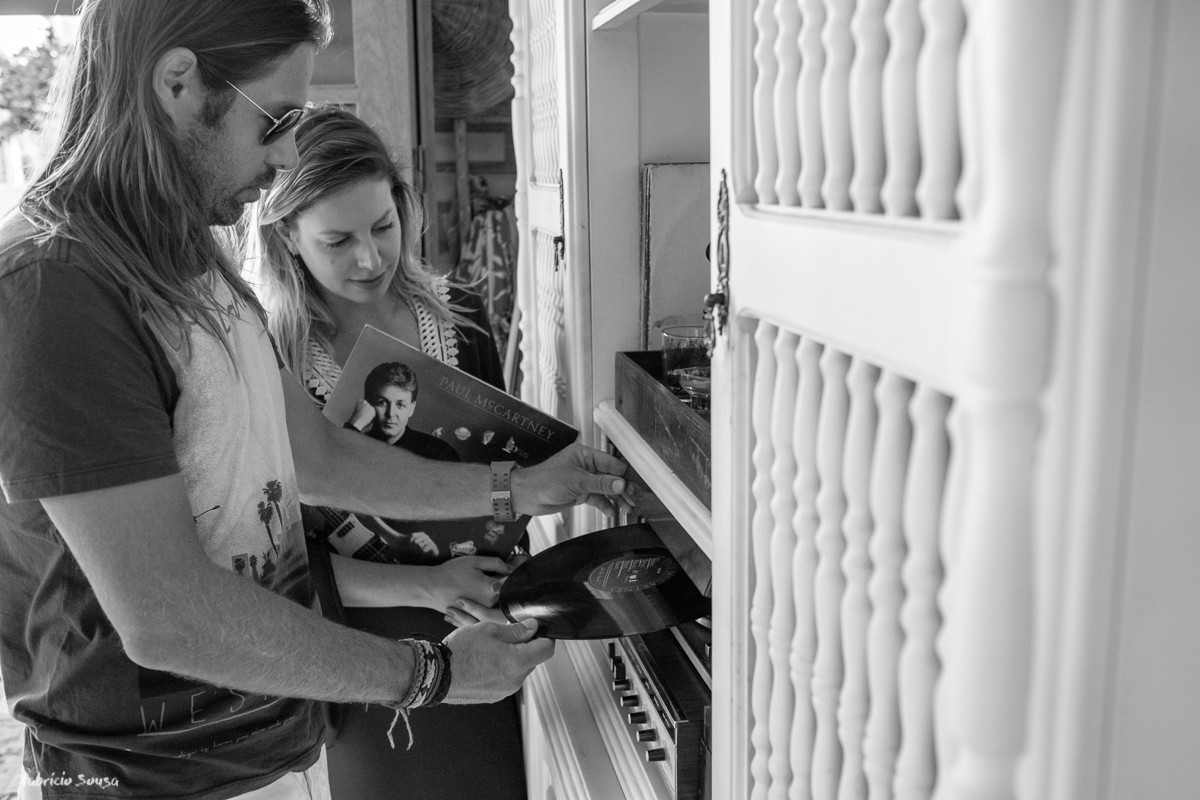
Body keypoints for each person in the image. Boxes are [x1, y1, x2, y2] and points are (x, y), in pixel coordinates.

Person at [0, 2, 628, 799]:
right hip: (145, 780)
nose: (290, 151)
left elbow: (316, 454)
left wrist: (521, 487)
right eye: (278, 117)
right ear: (178, 84)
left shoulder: (189, 250)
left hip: (270, 753)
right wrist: (427, 674)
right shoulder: (54, 284)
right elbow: (165, 616)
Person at [252, 106, 530, 800]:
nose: (370, 258)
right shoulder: (269, 360)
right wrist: (429, 585)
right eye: (337, 240)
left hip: (489, 628)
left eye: (382, 226)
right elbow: (285, 563)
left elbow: (501, 479)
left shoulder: (461, 320)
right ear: (287, 236)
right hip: (359, 652)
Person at [351, 361, 460, 462]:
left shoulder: (441, 454)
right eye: (382, 402)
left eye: (400, 405)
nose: (390, 414)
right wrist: (353, 425)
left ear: (411, 409)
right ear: (368, 404)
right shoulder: (354, 446)